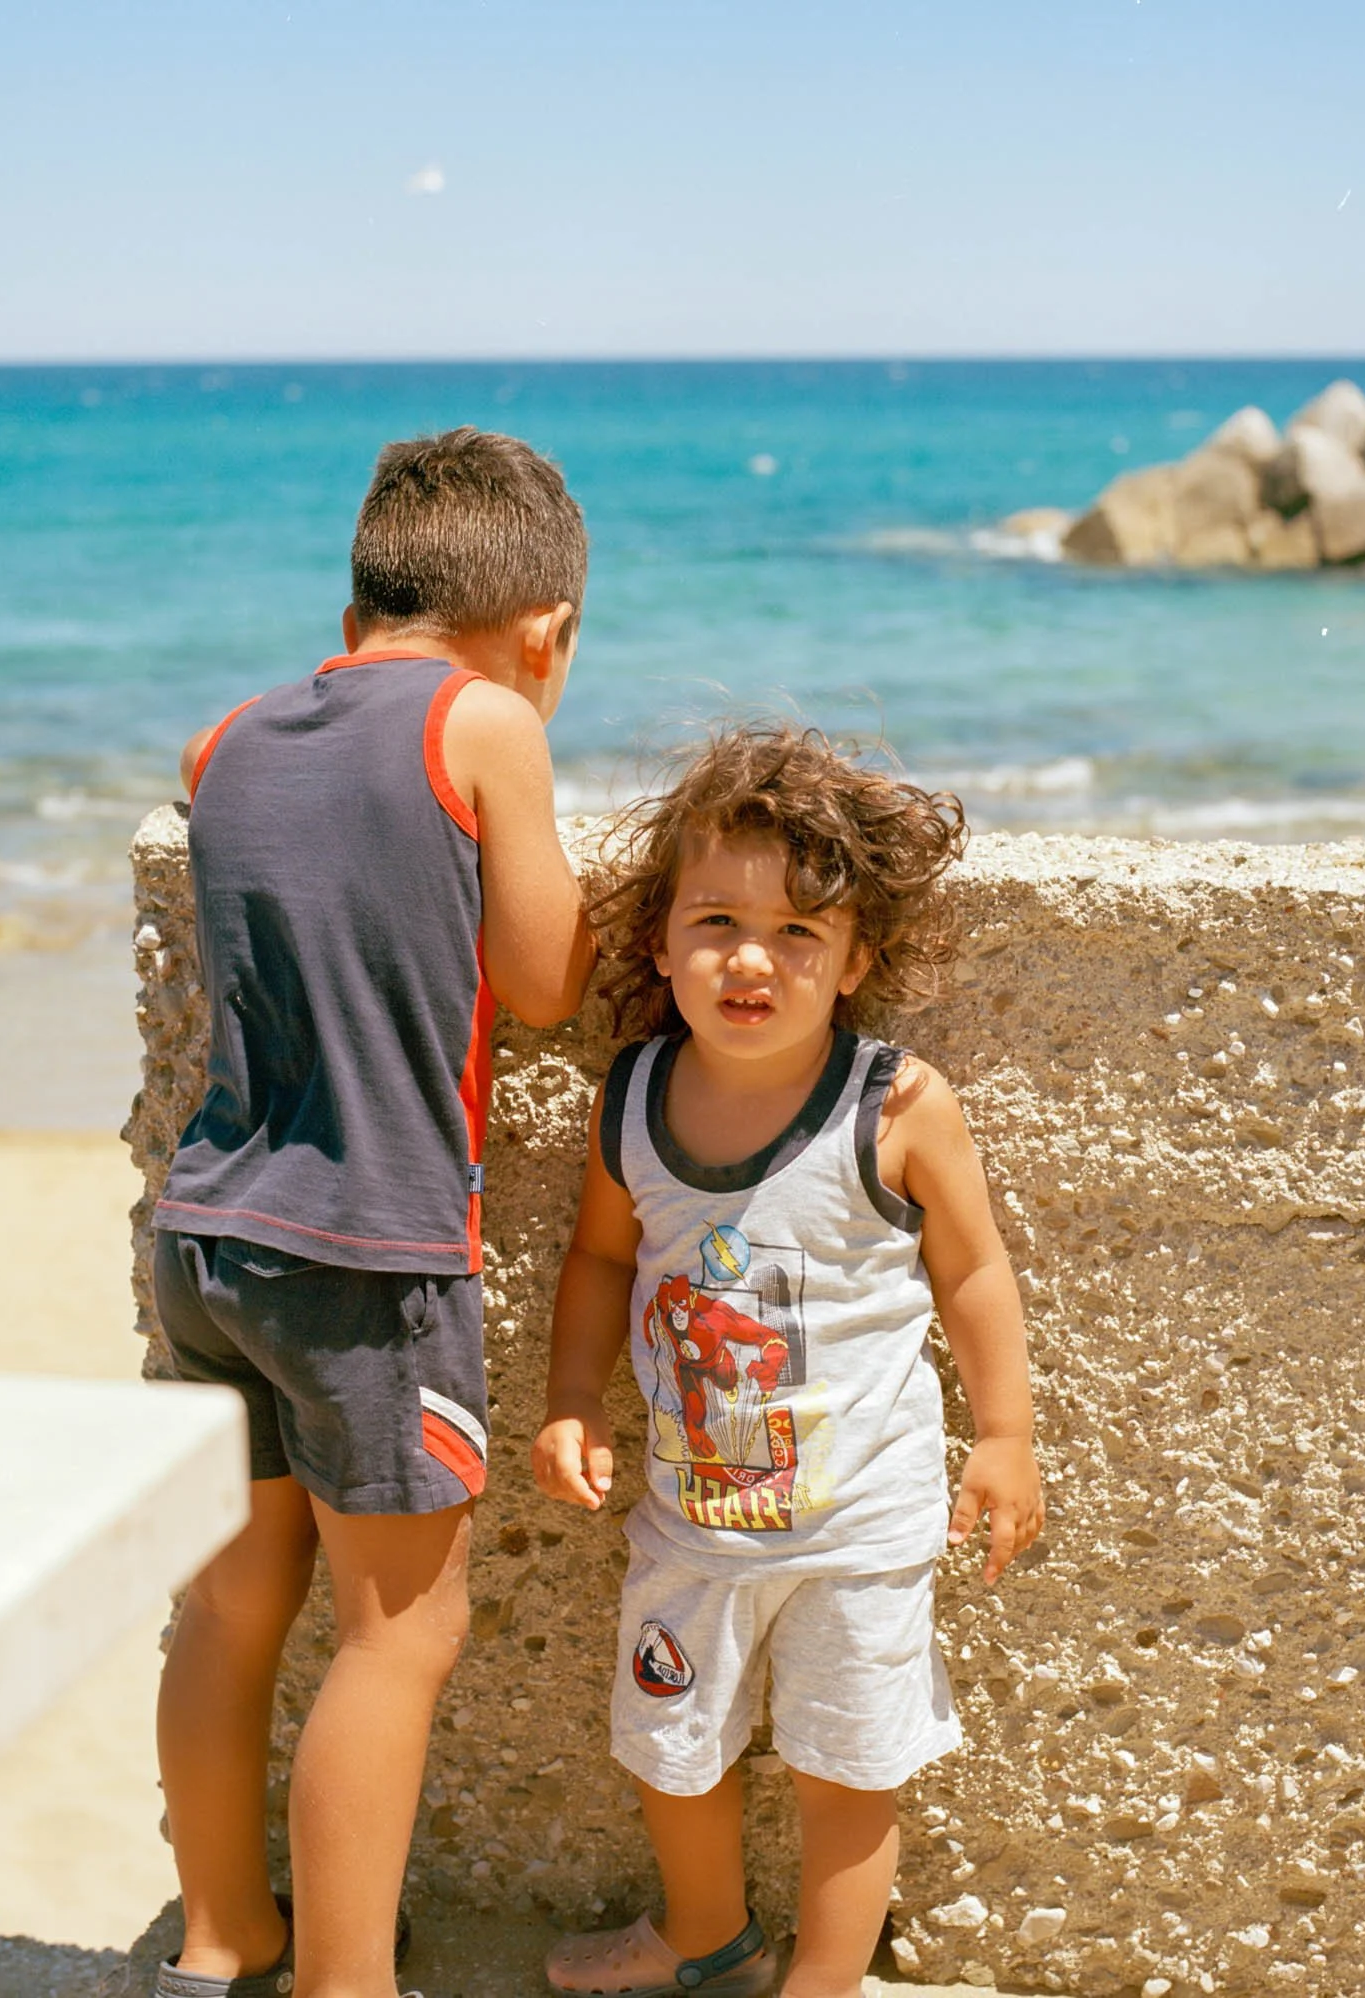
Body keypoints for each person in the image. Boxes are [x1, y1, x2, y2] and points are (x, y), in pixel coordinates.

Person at [150, 428, 595, 1998]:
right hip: (370, 1253)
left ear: (355, 621)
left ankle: (219, 1941)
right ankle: (349, 1984)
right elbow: (543, 981)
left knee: (229, 1597)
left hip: (205, 1233)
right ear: (545, 636)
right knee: (396, 1636)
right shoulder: (489, 723)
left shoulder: (222, 742)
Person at [532, 725, 1044, 1998]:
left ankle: (825, 1978)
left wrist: (1006, 1435)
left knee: (846, 1767)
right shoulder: (634, 1098)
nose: (750, 959)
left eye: (798, 934)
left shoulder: (894, 1105)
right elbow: (600, 1264)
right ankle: (702, 1939)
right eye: (713, 921)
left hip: (858, 1527)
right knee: (671, 1747)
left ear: (855, 960)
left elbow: (972, 1273)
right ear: (659, 943)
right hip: (690, 1524)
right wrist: (568, 1402)